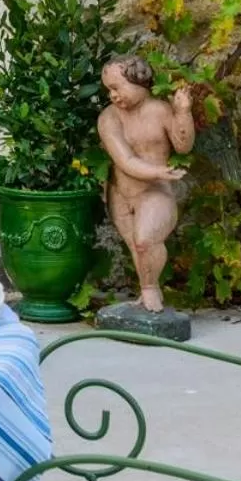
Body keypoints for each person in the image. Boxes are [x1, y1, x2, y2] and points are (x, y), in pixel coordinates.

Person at [96, 56, 195, 314]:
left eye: (118, 87)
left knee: (145, 241)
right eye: (109, 89)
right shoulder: (109, 118)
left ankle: (150, 290)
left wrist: (183, 112)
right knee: (137, 249)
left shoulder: (161, 111)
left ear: (140, 82)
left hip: (155, 192)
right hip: (121, 194)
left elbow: (183, 145)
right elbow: (124, 160)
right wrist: (157, 170)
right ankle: (148, 290)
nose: (113, 95)